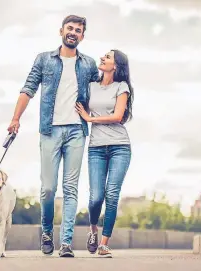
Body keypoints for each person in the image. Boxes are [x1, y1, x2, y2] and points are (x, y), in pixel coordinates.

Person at [8, 15, 99, 257]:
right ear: (61, 31)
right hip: (49, 130)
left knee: (70, 188)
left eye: (78, 30)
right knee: (48, 188)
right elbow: (28, 89)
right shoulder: (44, 59)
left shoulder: (89, 64)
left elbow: (100, 93)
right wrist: (15, 118)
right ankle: (46, 232)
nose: (73, 32)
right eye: (70, 28)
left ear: (82, 36)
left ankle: (66, 243)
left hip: (77, 132)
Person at [75, 49, 134, 258]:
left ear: (116, 65)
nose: (102, 58)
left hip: (120, 147)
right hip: (96, 148)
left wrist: (90, 119)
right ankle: (93, 230)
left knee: (112, 194)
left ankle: (104, 243)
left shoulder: (122, 86)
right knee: (96, 197)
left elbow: (118, 116)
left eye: (107, 57)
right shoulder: (91, 87)